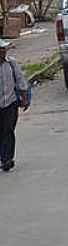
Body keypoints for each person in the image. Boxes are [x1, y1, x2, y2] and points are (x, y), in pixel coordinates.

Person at [0, 39, 29, 172]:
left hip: (10, 103)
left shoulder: (11, 63)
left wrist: (24, 98)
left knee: (8, 130)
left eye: (3, 49)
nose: (2, 51)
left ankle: (7, 159)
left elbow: (20, 80)